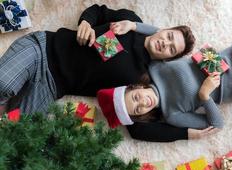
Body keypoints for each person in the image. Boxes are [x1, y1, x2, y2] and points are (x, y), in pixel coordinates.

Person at [97, 20, 232, 141]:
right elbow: (216, 124)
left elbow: (157, 34)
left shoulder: (155, 67)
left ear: (135, 87)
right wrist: (204, 95)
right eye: (138, 109)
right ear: (143, 115)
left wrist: (132, 24)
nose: (142, 102)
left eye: (135, 97)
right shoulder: (172, 115)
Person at [0, 4, 195, 116]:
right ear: (163, 29)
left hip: (51, 87)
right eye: (169, 36)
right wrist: (86, 22)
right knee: (3, 84)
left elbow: (150, 113)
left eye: (171, 49)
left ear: (169, 58)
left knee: (18, 132)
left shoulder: (139, 80)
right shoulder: (130, 19)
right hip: (42, 48)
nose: (165, 44)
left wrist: (187, 132)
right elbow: (98, 10)